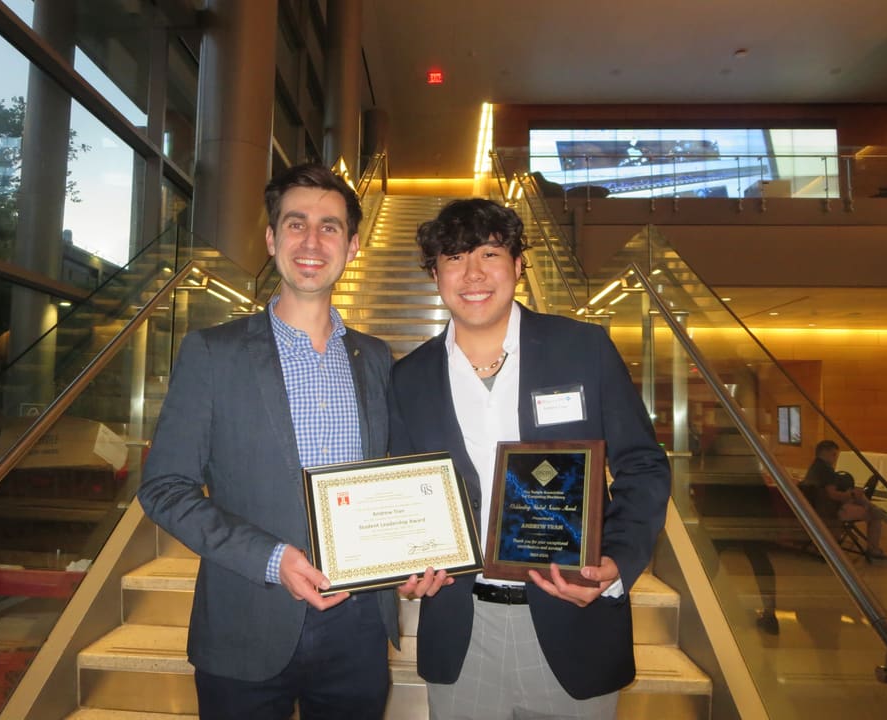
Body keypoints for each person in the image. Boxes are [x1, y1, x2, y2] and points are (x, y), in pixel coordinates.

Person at [389, 198, 672, 719]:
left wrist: (617, 563)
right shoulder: (408, 377)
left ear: (519, 265)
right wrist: (403, 564)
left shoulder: (583, 349)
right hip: (461, 627)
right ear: (435, 274)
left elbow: (643, 464)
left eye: (489, 254)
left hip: (573, 620)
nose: (472, 273)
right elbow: (407, 494)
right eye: (453, 258)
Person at [138, 163, 399, 719]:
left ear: (352, 246)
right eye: (295, 223)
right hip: (245, 619)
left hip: (357, 628)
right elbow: (164, 487)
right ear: (271, 238)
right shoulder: (213, 352)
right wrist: (273, 559)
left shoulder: (375, 357)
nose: (311, 241)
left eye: (329, 227)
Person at [803, 439, 886, 558]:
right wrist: (851, 495)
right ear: (825, 452)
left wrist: (850, 494)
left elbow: (827, 494)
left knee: (859, 497)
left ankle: (873, 508)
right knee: (874, 515)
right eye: (834, 454)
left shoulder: (815, 467)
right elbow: (833, 495)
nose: (835, 458)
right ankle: (874, 550)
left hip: (817, 509)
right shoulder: (826, 470)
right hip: (832, 513)